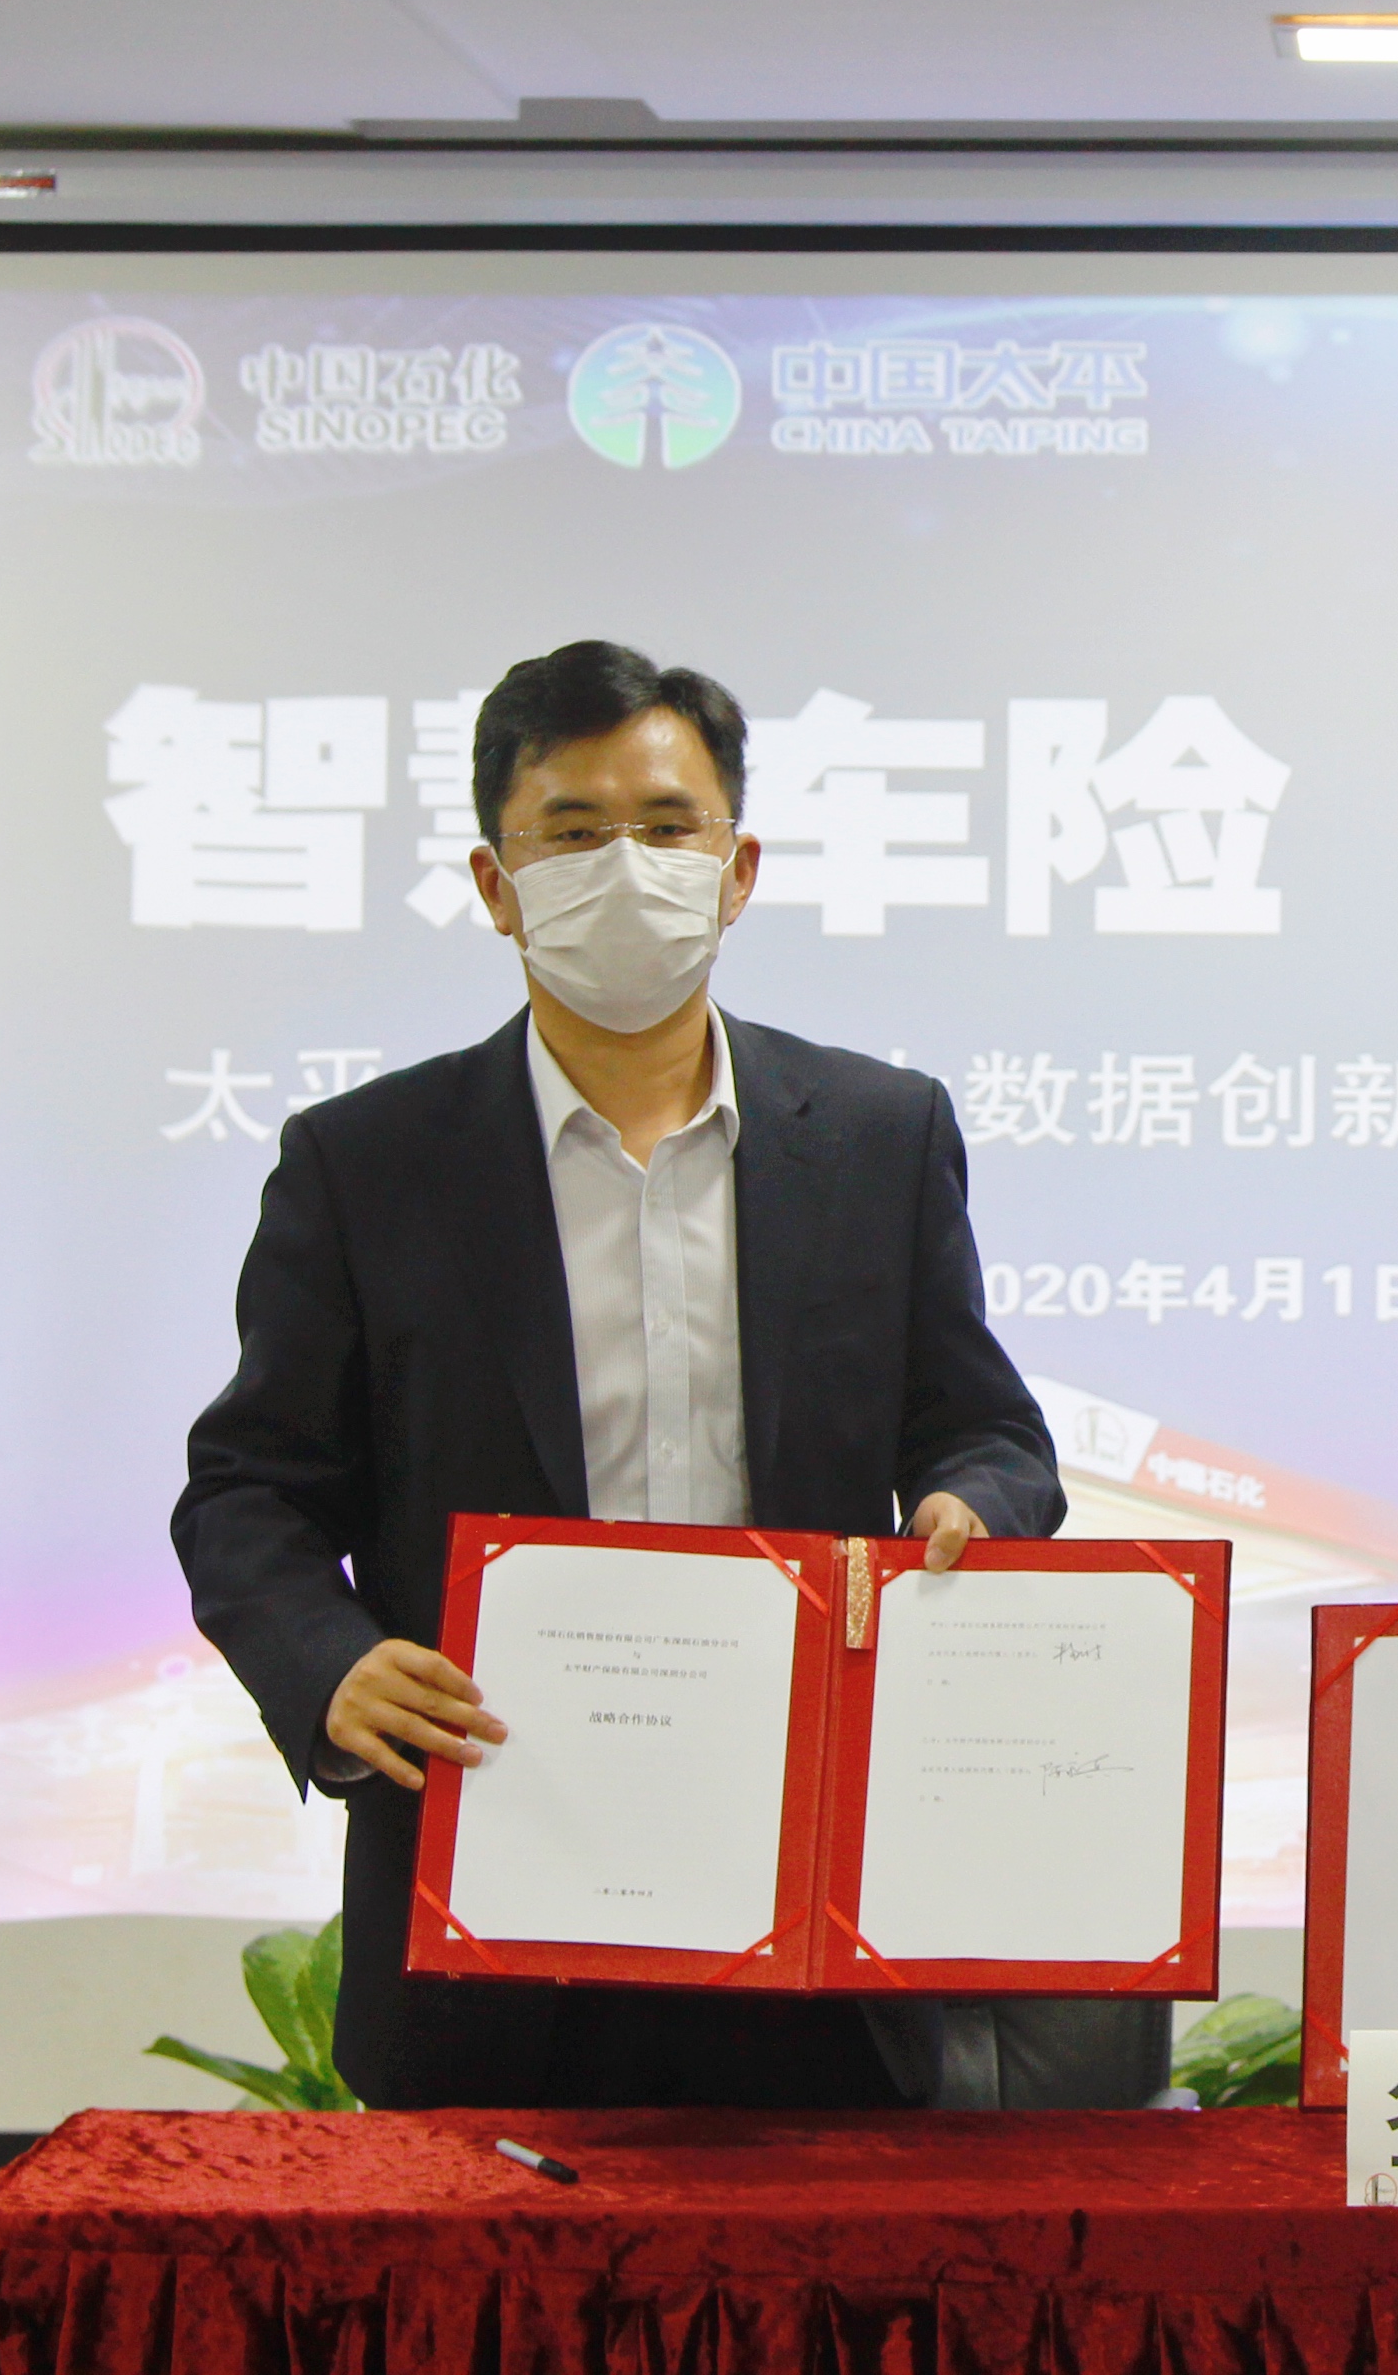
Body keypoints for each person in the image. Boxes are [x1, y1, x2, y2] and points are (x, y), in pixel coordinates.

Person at [174, 639, 1061, 2111]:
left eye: (665, 827)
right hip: (489, 1876)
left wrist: (973, 1501)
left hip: (808, 1887)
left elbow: (984, 1427)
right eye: (574, 834)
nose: (626, 870)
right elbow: (248, 1492)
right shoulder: (367, 1162)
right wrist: (325, 1665)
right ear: (494, 884)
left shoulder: (880, 1134)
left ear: (738, 867)